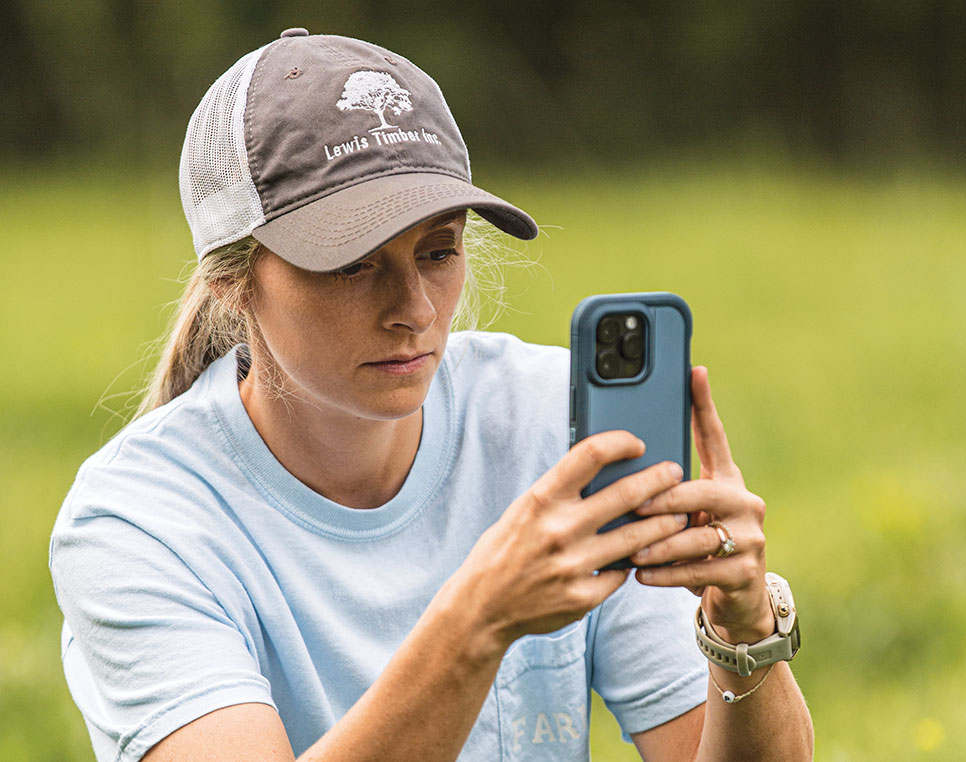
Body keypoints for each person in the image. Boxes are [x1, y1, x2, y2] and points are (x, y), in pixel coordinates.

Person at [50, 29, 813, 762]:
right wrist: (476, 622)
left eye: (439, 250)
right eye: (352, 264)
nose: (413, 306)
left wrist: (742, 636)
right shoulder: (136, 522)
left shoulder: (554, 423)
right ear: (233, 281)